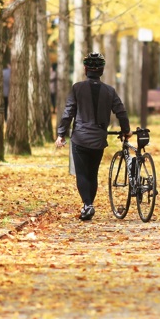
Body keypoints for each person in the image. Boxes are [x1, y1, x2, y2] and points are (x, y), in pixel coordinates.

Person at [56, 52, 131, 221]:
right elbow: (121, 112)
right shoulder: (110, 91)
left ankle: (88, 205)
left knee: (82, 174)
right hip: (98, 139)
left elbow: (68, 112)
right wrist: (126, 130)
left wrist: (61, 134)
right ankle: (88, 205)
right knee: (92, 173)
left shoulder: (77, 88)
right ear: (102, 70)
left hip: (80, 139)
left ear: (85, 69)